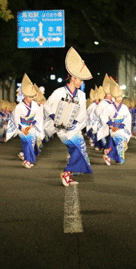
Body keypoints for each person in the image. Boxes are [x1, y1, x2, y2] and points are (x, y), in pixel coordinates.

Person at [44, 47, 93, 186]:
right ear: (73, 77)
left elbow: (82, 114)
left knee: (77, 150)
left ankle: (69, 175)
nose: (81, 82)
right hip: (61, 129)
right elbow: (47, 106)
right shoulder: (59, 92)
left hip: (74, 128)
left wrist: (75, 123)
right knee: (79, 149)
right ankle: (66, 172)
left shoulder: (82, 95)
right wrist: (55, 117)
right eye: (80, 80)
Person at [7, 74, 43, 168]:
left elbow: (38, 115)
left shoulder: (35, 105)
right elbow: (16, 119)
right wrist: (21, 128)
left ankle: (27, 159)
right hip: (22, 126)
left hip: (31, 126)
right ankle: (27, 161)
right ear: (25, 96)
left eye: (32, 96)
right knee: (27, 142)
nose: (31, 98)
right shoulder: (19, 107)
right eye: (30, 96)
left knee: (32, 143)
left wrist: (32, 124)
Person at [100, 81, 132, 166]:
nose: (120, 98)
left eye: (121, 96)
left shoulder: (124, 107)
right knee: (120, 142)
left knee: (121, 144)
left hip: (121, 127)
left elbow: (128, 117)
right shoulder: (109, 107)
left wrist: (122, 125)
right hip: (113, 127)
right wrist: (110, 124)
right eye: (118, 96)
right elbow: (103, 116)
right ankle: (119, 159)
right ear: (114, 97)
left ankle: (109, 154)